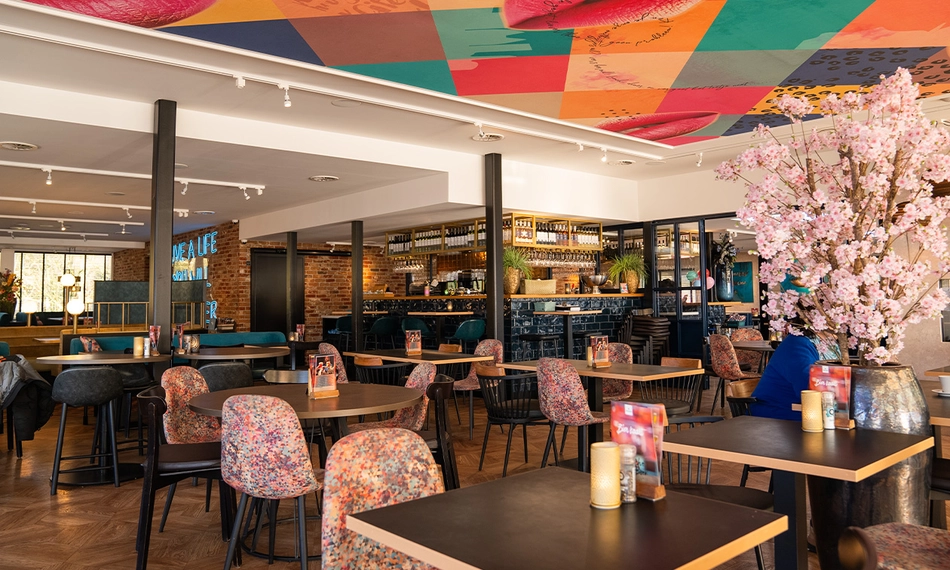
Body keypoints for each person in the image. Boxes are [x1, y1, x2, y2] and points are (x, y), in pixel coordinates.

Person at [750, 321, 839, 421]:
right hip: (778, 415)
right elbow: (808, 388)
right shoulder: (797, 344)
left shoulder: (831, 343)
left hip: (808, 412)